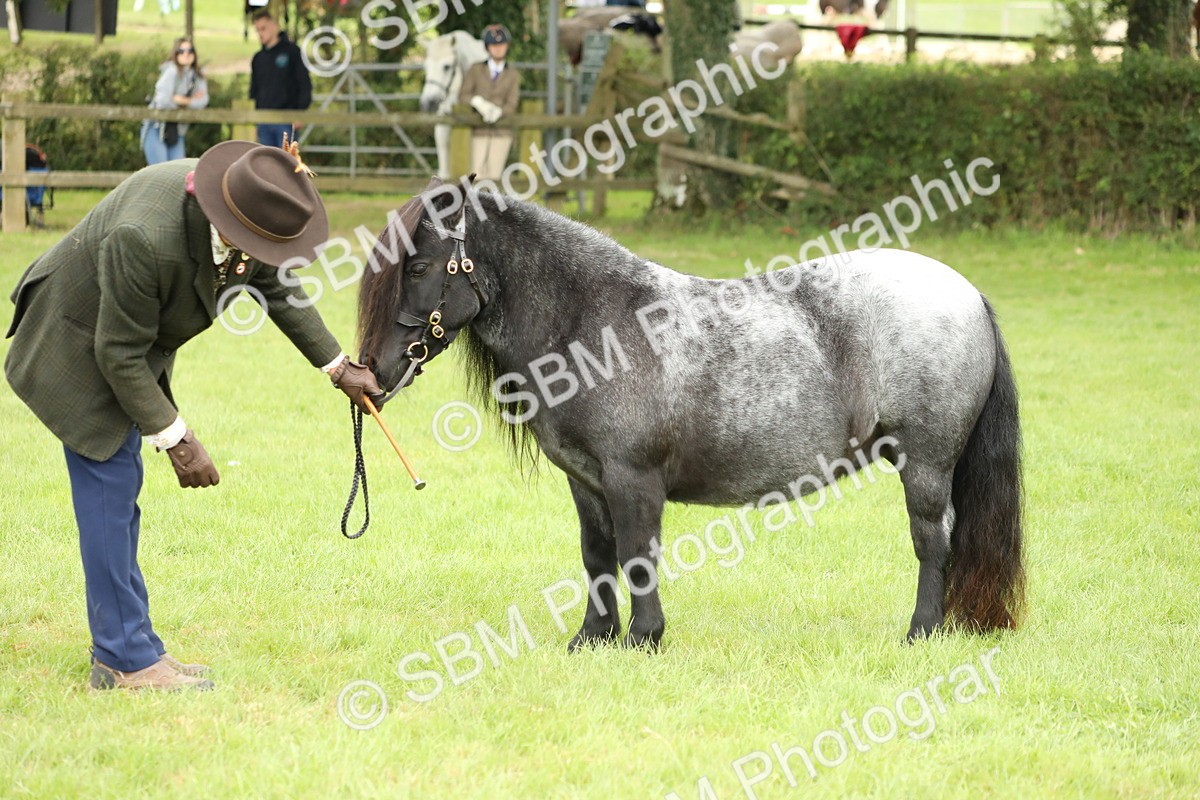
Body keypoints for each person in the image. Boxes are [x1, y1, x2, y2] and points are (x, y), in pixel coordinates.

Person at [4, 141, 384, 692]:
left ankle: (133, 645)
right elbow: (118, 354)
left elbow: (273, 284)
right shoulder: (145, 238)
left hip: (123, 345)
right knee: (110, 490)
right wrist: (177, 438)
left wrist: (338, 367)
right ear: (230, 225)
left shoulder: (242, 202)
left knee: (120, 490)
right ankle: (126, 661)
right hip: (77, 340)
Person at [458, 24, 521, 182]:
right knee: (474, 173)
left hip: (501, 132)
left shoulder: (513, 74)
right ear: (488, 47)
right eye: (494, 45)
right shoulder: (475, 69)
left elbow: (512, 103)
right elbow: (463, 94)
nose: (498, 49)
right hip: (478, 130)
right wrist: (477, 102)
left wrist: (499, 111)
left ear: (507, 46)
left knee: (494, 177)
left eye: (501, 45)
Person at [141, 37, 209, 165]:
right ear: (175, 53)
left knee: (178, 172)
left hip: (177, 130)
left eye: (190, 51)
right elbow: (162, 101)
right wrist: (191, 101)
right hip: (157, 128)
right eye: (181, 51)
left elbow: (203, 101)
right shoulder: (171, 71)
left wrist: (181, 100)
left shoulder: (197, 75)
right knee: (160, 173)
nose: (186, 54)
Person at [249, 10, 312, 147]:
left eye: (263, 28)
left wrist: (300, 113)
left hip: (286, 120)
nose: (260, 33)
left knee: (286, 163)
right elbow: (254, 91)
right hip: (263, 121)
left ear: (274, 26)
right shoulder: (258, 58)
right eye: (257, 30)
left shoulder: (292, 52)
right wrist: (255, 122)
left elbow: (304, 84)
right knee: (265, 163)